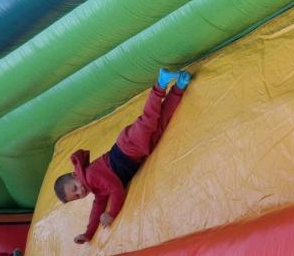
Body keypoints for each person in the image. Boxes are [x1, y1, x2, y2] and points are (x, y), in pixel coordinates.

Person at [54, 68, 192, 244]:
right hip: (137, 154)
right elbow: (97, 209)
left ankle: (161, 83)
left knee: (149, 120)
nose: (80, 192)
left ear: (75, 175)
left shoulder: (91, 175)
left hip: (128, 146)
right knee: (161, 123)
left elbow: (117, 189)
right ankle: (179, 86)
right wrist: (88, 233)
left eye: (75, 188)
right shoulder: (96, 189)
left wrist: (112, 213)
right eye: (77, 196)